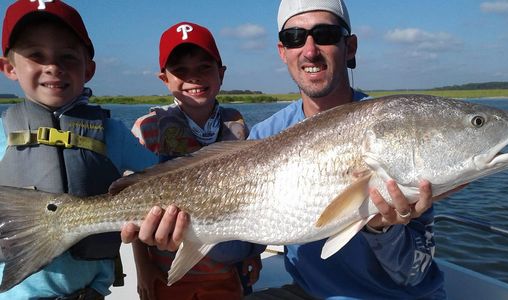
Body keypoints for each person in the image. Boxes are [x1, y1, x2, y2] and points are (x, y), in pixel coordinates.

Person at [245, 0, 462, 299]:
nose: (309, 50)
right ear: (283, 51)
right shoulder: (264, 136)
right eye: (294, 37)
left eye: (326, 34)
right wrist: (181, 232)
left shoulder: (397, 130)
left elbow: (414, 273)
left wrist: (382, 231)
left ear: (350, 47)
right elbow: (234, 246)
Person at [0, 0, 158, 298]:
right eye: (36, 55)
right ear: (8, 67)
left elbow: (166, 176)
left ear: (89, 69)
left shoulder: (113, 132)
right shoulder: (1, 132)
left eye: (68, 57)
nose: (52, 67)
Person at [129, 21, 264, 300]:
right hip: (167, 272)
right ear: (164, 79)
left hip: (226, 272)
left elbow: (254, 201)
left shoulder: (236, 125)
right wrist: (143, 268)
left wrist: (253, 254)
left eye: (204, 67)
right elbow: (131, 208)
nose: (194, 78)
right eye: (180, 71)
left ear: (221, 74)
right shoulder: (147, 128)